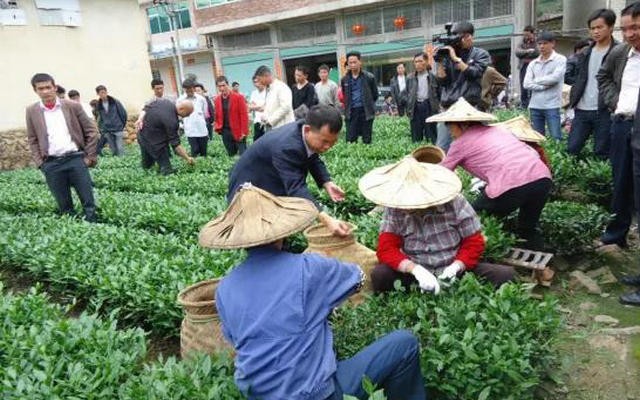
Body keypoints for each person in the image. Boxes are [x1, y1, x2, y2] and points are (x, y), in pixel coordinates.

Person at [199, 185, 427, 400]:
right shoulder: (307, 268)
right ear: (281, 232)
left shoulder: (225, 287)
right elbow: (357, 278)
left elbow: (235, 336)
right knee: (404, 343)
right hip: (313, 394)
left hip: (257, 393)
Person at [358, 157, 515, 294]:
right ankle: (419, 288)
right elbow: (387, 248)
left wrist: (457, 266)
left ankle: (451, 283)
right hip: (415, 271)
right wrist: (415, 270)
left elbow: (474, 241)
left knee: (505, 275)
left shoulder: (455, 202)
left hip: (453, 266)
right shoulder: (395, 208)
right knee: (380, 275)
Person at [432, 98, 552, 250]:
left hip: (511, 184)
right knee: (527, 227)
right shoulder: (499, 130)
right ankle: (543, 267)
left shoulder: (459, 144)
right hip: (542, 178)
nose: (450, 132)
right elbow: (530, 153)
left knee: (470, 215)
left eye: (450, 127)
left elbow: (441, 173)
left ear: (461, 125)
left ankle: (482, 248)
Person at [227, 104, 350, 237]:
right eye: (325, 141)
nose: (328, 147)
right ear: (308, 129)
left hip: (270, 177)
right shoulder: (287, 146)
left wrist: (327, 183)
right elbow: (296, 188)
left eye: (333, 142)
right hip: (251, 185)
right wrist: (327, 220)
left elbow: (313, 156)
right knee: (261, 235)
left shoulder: (305, 131)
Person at [26, 73, 98, 222]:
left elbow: (91, 131)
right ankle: (72, 234)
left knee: (88, 202)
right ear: (35, 90)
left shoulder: (72, 106)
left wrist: (89, 156)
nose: (45, 91)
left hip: (75, 159)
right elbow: (32, 139)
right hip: (51, 164)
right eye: (41, 88)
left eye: (48, 87)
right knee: (64, 206)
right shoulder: (31, 111)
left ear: (55, 87)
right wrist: (41, 163)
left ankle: (93, 229)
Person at [597, 2, 640, 251]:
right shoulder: (621, 53)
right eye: (625, 30)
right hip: (623, 124)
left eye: (635, 27)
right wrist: (615, 101)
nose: (630, 34)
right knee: (621, 182)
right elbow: (602, 77)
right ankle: (616, 234)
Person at [565, 9, 618, 159]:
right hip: (582, 108)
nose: (595, 31)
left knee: (601, 152)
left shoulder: (618, 51)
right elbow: (578, 78)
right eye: (592, 28)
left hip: (604, 109)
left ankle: (597, 182)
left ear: (611, 27)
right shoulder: (585, 52)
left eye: (600, 27)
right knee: (572, 148)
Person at [432, 21, 490, 151]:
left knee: (477, 148)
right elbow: (442, 82)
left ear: (469, 37)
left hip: (470, 107)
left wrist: (456, 59)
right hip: (449, 107)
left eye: (462, 37)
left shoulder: (480, 54)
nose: (458, 41)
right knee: (442, 147)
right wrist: (440, 62)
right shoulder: (448, 54)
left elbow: (474, 73)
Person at [524, 31, 567, 141]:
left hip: (552, 105)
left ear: (553, 43)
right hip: (535, 105)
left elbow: (555, 78)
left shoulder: (560, 59)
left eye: (545, 43)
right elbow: (526, 84)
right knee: (537, 140)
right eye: (539, 44)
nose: (542, 46)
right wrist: (543, 86)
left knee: (556, 138)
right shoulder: (533, 63)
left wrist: (535, 81)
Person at [137, 99, 195, 175]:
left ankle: (145, 175)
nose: (188, 116)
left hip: (141, 136)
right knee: (166, 169)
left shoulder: (165, 101)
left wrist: (140, 118)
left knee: (147, 165)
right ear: (182, 109)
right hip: (155, 143)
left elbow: (146, 108)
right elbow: (176, 145)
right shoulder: (172, 121)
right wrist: (187, 158)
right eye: (188, 113)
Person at [340, 51, 379, 144]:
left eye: (355, 62)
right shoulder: (344, 79)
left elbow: (375, 95)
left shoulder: (369, 77)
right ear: (348, 64)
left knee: (367, 140)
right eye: (350, 63)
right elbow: (345, 95)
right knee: (350, 139)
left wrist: (368, 104)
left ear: (360, 62)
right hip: (351, 112)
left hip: (366, 111)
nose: (353, 65)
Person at [406, 52, 438, 143]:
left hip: (429, 106)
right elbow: (407, 94)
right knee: (416, 138)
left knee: (432, 137)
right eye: (415, 62)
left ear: (427, 61)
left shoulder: (433, 77)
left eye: (420, 61)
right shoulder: (410, 78)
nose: (418, 64)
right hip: (415, 108)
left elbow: (439, 94)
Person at [214, 76, 249, 156]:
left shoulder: (238, 97)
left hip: (238, 130)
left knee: (243, 155)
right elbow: (217, 115)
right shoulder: (217, 100)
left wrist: (244, 131)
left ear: (227, 85)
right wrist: (218, 126)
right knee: (231, 154)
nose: (222, 88)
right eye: (219, 86)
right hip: (225, 131)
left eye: (223, 85)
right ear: (217, 87)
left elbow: (244, 115)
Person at [254, 65, 295, 130]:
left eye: (259, 79)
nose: (259, 83)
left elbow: (286, 107)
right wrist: (265, 116)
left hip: (284, 128)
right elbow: (272, 106)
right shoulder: (269, 89)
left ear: (266, 76)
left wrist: (270, 120)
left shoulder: (281, 87)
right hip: (273, 128)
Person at [178, 79, 209, 157]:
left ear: (194, 88)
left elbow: (205, 113)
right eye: (187, 89)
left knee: (203, 152)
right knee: (194, 151)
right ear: (184, 89)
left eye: (190, 89)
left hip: (202, 130)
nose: (189, 91)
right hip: (190, 131)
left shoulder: (201, 99)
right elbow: (179, 115)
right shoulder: (180, 100)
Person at [95, 84, 127, 156]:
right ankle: (116, 163)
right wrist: (102, 128)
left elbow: (123, 114)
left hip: (118, 128)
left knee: (120, 147)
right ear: (98, 94)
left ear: (106, 92)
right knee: (113, 149)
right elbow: (100, 118)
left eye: (104, 92)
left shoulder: (115, 102)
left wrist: (121, 125)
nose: (103, 94)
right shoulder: (99, 105)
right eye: (101, 93)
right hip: (107, 130)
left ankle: (122, 162)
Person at [515, 25, 539, 109]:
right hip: (523, 66)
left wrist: (524, 54)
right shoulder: (522, 42)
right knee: (523, 85)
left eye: (527, 35)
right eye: (524, 35)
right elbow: (517, 52)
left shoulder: (537, 42)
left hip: (534, 67)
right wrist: (528, 51)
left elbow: (537, 52)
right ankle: (524, 105)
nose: (526, 37)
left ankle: (533, 104)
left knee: (533, 85)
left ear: (532, 34)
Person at [249, 76, 267, 141]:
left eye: (258, 81)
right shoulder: (254, 93)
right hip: (257, 121)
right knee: (256, 142)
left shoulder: (268, 92)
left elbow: (265, 107)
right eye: (255, 82)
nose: (257, 84)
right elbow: (250, 107)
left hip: (267, 121)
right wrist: (260, 107)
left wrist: (255, 107)